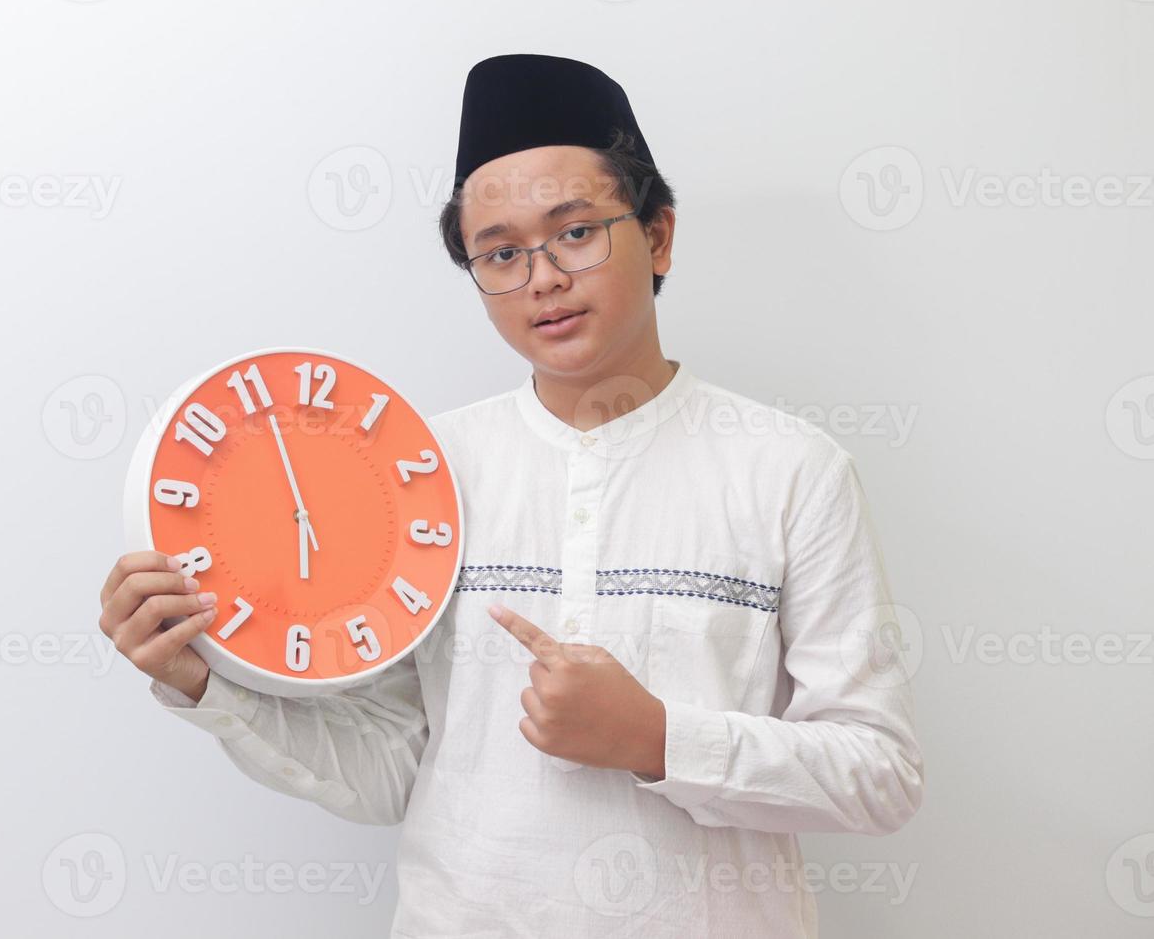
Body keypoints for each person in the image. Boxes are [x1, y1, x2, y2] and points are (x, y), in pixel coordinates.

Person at [97, 52, 924, 937]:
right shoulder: (420, 473)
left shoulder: (790, 468)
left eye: (575, 232)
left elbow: (878, 776)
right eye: (499, 252)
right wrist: (201, 682)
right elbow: (397, 769)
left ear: (660, 237)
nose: (542, 278)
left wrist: (655, 737)